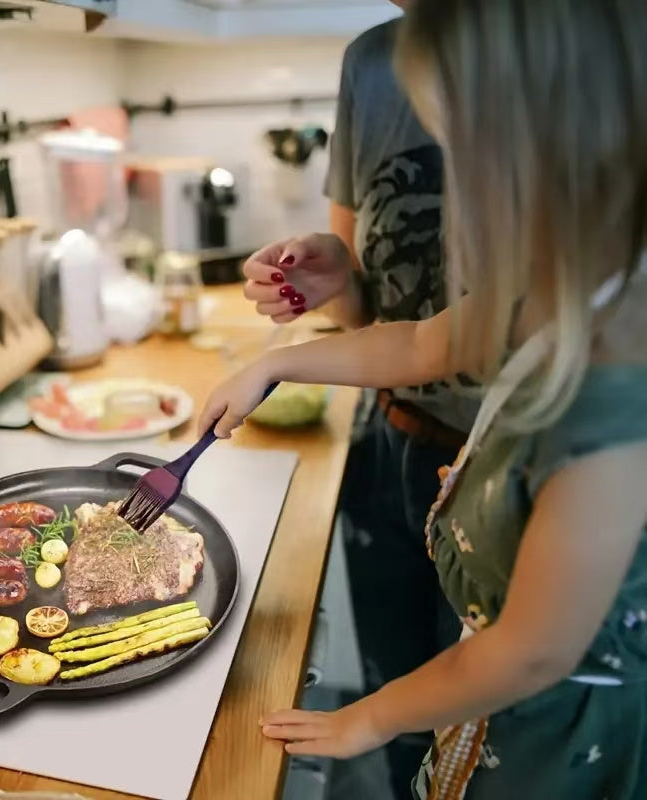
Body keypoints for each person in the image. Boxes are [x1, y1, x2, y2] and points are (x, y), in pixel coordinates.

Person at [201, 0, 647, 796]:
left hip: (553, 745)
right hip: (487, 719)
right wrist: (276, 366)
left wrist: (371, 717)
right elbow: (415, 343)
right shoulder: (555, 295)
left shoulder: (614, 395)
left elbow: (531, 651)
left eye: (467, 152)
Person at [242, 2, 469, 789]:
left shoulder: (596, 47)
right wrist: (331, 276)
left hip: (512, 474)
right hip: (396, 444)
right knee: (404, 717)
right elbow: (387, 322)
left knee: (484, 740)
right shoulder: (374, 61)